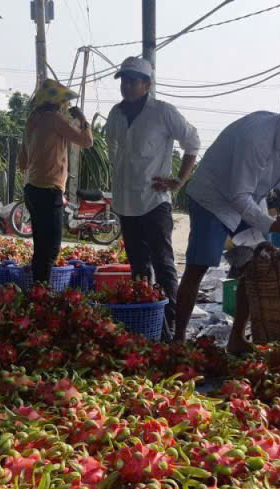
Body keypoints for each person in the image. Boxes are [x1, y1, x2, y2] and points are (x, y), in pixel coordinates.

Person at [174, 92, 280, 351]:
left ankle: (237, 338)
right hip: (214, 197)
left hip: (250, 198)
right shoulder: (257, 136)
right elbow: (237, 195)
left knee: (255, 267)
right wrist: (273, 225)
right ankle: (178, 339)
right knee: (198, 267)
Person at [103, 57, 201, 341]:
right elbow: (115, 153)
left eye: (133, 81)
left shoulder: (163, 112)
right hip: (125, 201)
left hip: (154, 201)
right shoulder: (115, 114)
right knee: (138, 264)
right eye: (124, 80)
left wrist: (179, 180)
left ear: (147, 84)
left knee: (163, 262)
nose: (127, 86)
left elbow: (192, 142)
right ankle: (144, 318)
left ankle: (169, 322)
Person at [19, 78, 94, 284]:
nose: (66, 105)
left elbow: (22, 162)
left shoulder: (32, 119)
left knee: (40, 246)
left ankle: (38, 289)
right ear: (58, 102)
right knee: (51, 248)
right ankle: (42, 291)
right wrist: (82, 119)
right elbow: (87, 141)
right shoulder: (55, 119)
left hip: (31, 189)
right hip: (49, 190)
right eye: (64, 101)